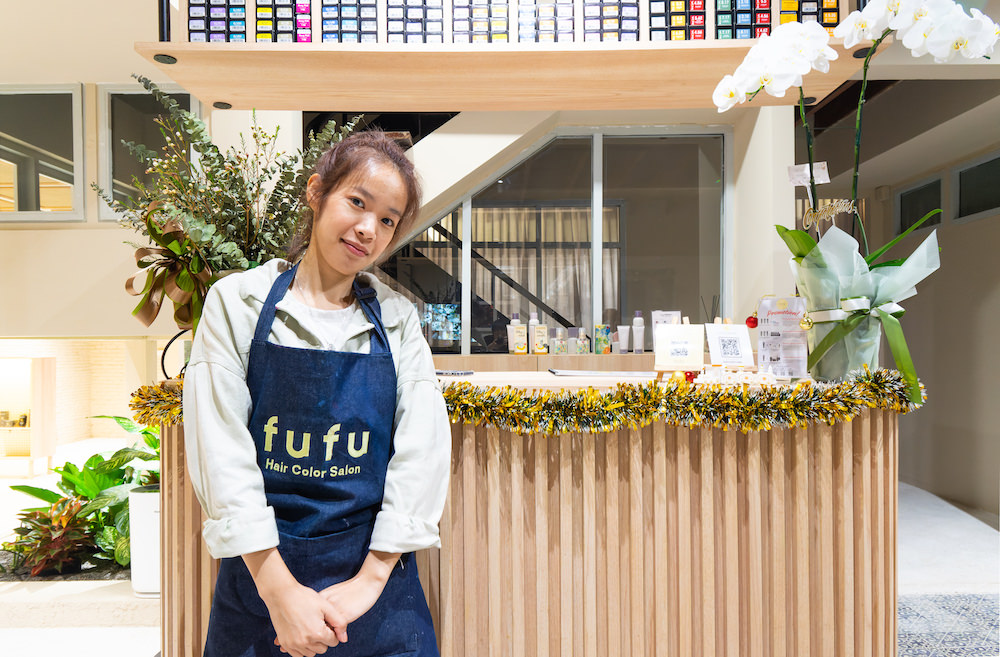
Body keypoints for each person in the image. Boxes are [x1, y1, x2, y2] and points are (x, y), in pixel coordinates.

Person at [182, 131, 451, 657]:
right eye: (357, 202)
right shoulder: (236, 303)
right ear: (316, 192)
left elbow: (421, 451)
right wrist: (281, 594)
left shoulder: (397, 319)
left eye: (388, 219)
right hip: (262, 582)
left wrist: (367, 583)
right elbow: (221, 451)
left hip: (375, 589)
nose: (368, 229)